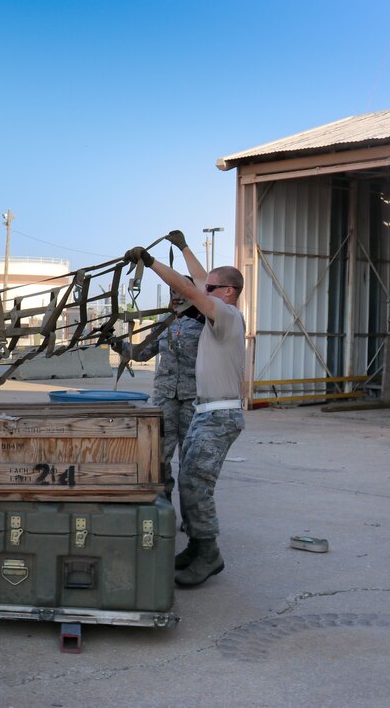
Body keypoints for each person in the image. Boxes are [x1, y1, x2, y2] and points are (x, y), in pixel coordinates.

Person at [125, 230, 245, 588]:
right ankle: (197, 547)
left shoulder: (226, 315)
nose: (197, 293)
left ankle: (209, 553)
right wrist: (184, 247)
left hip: (219, 414)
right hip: (205, 411)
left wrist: (151, 262)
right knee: (185, 481)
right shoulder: (208, 314)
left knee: (194, 483)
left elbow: (194, 289)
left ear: (227, 292)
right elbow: (199, 283)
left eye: (211, 289)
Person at [114, 278, 204, 501]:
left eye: (183, 290)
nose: (178, 296)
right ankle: (164, 507)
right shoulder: (164, 322)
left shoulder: (206, 323)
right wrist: (118, 345)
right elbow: (143, 352)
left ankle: (191, 513)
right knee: (159, 453)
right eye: (174, 290)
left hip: (194, 397)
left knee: (191, 457)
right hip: (165, 397)